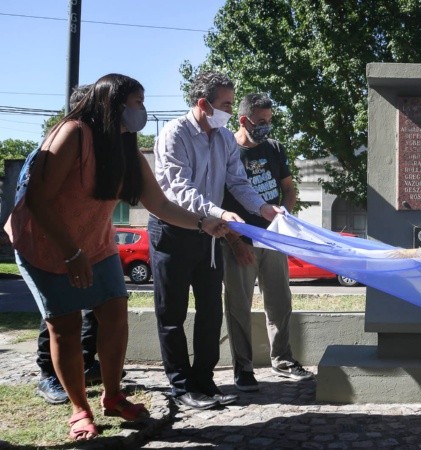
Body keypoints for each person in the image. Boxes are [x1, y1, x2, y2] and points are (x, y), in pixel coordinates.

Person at [4, 73, 229, 441]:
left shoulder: (124, 145)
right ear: (113, 103)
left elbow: (158, 204)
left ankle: (113, 396)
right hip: (46, 242)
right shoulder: (73, 133)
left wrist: (204, 223)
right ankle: (80, 410)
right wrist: (70, 253)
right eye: (137, 103)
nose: (142, 111)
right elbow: (37, 200)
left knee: (114, 315)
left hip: (94, 243)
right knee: (66, 327)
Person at [149, 72, 283, 410]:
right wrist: (218, 213)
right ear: (202, 103)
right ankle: (181, 386)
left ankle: (204, 380)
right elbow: (178, 188)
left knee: (210, 310)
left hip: (209, 236)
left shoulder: (225, 139)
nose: (228, 109)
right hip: (173, 230)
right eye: (224, 104)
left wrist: (263, 208)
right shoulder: (174, 134)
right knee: (172, 313)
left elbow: (238, 183)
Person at [33, 84, 125, 405]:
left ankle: (87, 365)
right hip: (54, 247)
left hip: (91, 245)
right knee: (60, 314)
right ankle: (48, 375)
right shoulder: (62, 140)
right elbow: (36, 200)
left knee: (97, 308)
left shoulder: (103, 146)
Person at [221, 93, 312, 393]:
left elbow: (288, 189)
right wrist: (236, 242)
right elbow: (218, 201)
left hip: (273, 239)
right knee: (239, 307)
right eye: (260, 122)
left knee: (280, 302)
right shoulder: (226, 149)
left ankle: (283, 360)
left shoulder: (273, 148)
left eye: (269, 122)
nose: (266, 128)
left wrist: (284, 216)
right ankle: (243, 369)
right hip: (240, 242)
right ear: (243, 120)